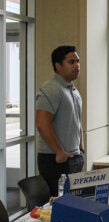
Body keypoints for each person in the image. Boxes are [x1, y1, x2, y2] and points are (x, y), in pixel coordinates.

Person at [36, 45, 84, 196]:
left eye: (78, 61)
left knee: (72, 204)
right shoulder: (51, 89)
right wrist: (59, 152)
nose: (77, 66)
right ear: (58, 66)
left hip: (73, 157)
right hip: (56, 161)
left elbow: (77, 120)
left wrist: (81, 147)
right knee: (58, 207)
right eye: (71, 62)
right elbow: (42, 123)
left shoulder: (73, 90)